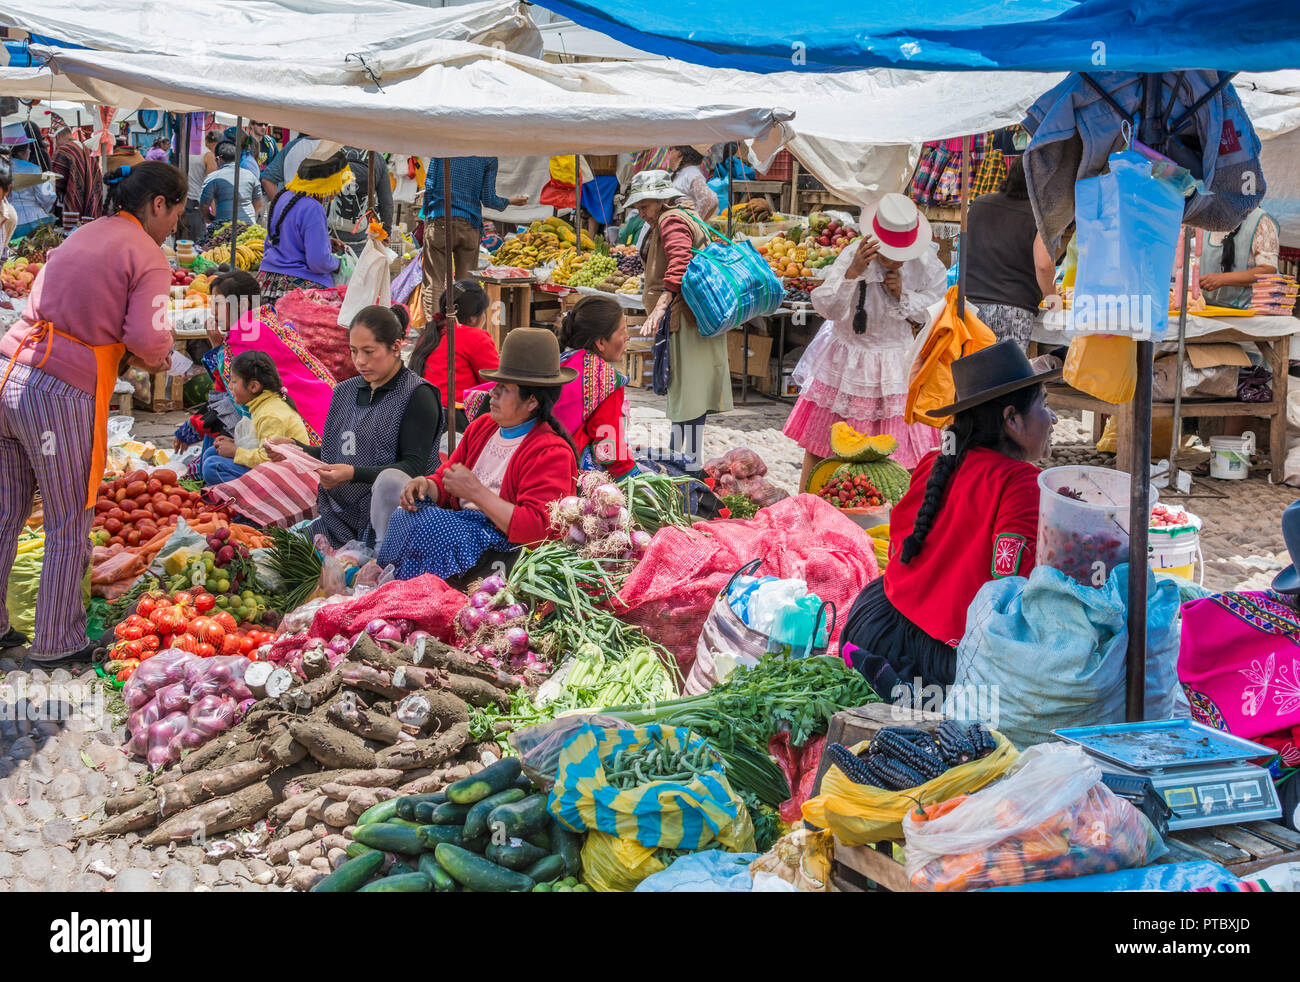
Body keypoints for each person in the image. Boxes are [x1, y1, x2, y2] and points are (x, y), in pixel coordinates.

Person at [0, 161, 183, 665]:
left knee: (6, 510)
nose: (175, 228)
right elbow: (149, 338)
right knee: (67, 520)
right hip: (59, 391)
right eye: (177, 214)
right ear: (159, 205)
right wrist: (161, 355)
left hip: (11, 371)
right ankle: (58, 640)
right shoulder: (146, 254)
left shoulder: (83, 234)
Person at [840, 341, 1059, 698]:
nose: (1052, 419)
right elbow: (1010, 588)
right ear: (1012, 419)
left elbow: (902, 539)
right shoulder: (1020, 483)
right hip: (940, 663)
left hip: (878, 626)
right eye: (1044, 405)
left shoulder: (935, 462)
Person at [379, 327, 579, 580]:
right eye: (496, 385)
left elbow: (539, 529)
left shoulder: (550, 452)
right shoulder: (483, 427)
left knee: (432, 526)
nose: (492, 393)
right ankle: (400, 585)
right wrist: (427, 486)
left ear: (531, 402)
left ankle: (417, 592)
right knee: (404, 515)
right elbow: (447, 477)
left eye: (504, 388)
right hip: (464, 527)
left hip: (503, 549)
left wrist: (476, 492)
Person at [784, 192, 949, 486]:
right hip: (846, 359)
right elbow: (828, 308)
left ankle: (896, 511)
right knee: (824, 443)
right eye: (889, 255)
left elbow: (936, 309)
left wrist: (904, 296)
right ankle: (810, 503)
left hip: (897, 362)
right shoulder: (853, 255)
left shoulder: (925, 263)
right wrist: (853, 273)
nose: (895, 261)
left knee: (904, 450)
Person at [268, 304, 440, 549]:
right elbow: (334, 453)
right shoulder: (343, 392)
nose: (360, 361)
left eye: (369, 352)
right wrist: (295, 449)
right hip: (337, 519)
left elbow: (413, 466)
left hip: (394, 520)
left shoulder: (417, 395)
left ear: (396, 346)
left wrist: (353, 474)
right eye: (354, 351)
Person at [630, 170, 731, 470]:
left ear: (661, 200)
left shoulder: (670, 219)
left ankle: (680, 462)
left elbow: (680, 259)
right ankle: (687, 460)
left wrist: (662, 303)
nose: (641, 213)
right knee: (691, 395)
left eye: (645, 206)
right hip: (695, 317)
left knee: (686, 393)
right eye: (639, 208)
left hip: (685, 318)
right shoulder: (683, 215)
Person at [190, 270, 336, 445]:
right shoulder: (266, 320)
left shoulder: (243, 334)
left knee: (216, 451)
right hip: (329, 407)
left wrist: (217, 348)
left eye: (219, 304)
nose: (213, 311)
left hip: (307, 422)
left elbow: (233, 394)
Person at [419, 156, 528, 326]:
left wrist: (427, 213)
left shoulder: (442, 148)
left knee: (435, 282)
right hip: (469, 225)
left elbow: (430, 185)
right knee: (467, 286)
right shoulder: (487, 157)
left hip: (439, 220)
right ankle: (465, 331)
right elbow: (489, 199)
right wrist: (512, 201)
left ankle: (436, 331)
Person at [963, 158, 1057, 349]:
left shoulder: (979, 204)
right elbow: (1044, 264)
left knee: (973, 375)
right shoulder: (1040, 217)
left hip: (970, 307)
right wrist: (1053, 299)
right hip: (1012, 312)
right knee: (1007, 376)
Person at [200, 350, 311, 485]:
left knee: (212, 466)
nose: (229, 387)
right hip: (273, 469)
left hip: (286, 479)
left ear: (253, 386)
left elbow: (268, 459)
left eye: (234, 381)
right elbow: (260, 445)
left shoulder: (270, 415)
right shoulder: (263, 405)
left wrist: (236, 452)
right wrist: (236, 443)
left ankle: (248, 503)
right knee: (212, 453)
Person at [257, 147, 348, 303]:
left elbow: (274, 241)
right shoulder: (313, 207)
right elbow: (318, 262)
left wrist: (325, 242)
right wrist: (339, 264)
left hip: (266, 282)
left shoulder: (283, 197)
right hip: (300, 288)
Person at [410, 280, 499, 431]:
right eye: (484, 312)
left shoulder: (431, 333)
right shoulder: (475, 337)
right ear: (473, 318)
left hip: (421, 412)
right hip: (454, 418)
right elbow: (495, 381)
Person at [1198, 206, 1280, 309]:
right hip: (1209, 307)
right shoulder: (1207, 218)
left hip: (1247, 311)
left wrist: (1222, 279)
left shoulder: (1260, 221)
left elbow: (1268, 270)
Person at [330, 147, 394, 251]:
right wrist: (386, 232)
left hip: (332, 235)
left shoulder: (333, 150)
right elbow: (386, 203)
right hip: (361, 235)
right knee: (359, 266)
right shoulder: (376, 158)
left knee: (332, 265)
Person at [200, 140, 263, 228]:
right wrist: (248, 217)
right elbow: (259, 203)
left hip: (223, 228)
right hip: (248, 227)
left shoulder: (212, 178)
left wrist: (211, 219)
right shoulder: (250, 175)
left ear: (218, 159)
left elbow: (204, 206)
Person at [50, 125, 103, 225]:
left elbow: (55, 184)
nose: (55, 144)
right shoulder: (86, 148)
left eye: (54, 140)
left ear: (59, 136)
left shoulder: (63, 150)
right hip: (91, 206)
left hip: (72, 207)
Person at [8, 144, 57, 238]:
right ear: (20, 153)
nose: (30, 152)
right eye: (28, 149)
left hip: (9, 217)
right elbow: (47, 197)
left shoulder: (4, 168)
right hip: (33, 218)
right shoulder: (33, 168)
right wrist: (45, 209)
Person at [184, 130, 222, 240]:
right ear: (215, 144)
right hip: (195, 206)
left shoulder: (188, 150)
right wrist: (214, 214)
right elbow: (212, 187)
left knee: (181, 246)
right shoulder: (209, 156)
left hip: (181, 203)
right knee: (196, 247)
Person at [667, 146, 718, 220]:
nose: (668, 155)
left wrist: (694, 222)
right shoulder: (680, 173)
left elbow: (710, 199)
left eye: (670, 150)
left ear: (679, 153)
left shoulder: (691, 173)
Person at [261, 133, 313, 200]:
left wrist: (279, 206)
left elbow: (267, 179)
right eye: (260, 124)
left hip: (291, 202)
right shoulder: (292, 145)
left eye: (265, 124)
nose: (263, 127)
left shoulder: (272, 142)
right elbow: (267, 179)